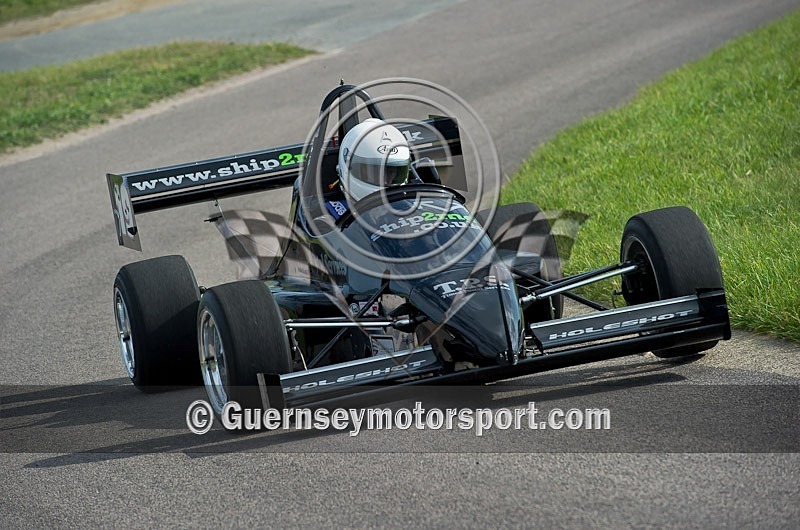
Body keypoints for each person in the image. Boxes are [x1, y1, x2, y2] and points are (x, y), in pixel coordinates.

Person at [324, 118, 411, 220]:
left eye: (391, 172)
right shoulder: (330, 219)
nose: (385, 180)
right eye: (375, 171)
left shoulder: (412, 205)